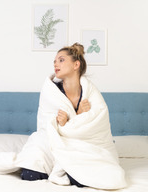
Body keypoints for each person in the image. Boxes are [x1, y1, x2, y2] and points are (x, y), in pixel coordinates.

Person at [21, 43, 92, 187]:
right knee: (30, 174)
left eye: (61, 60)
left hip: (77, 143)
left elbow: (94, 126)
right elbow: (47, 123)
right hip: (49, 140)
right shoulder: (51, 91)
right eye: (54, 61)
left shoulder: (89, 92)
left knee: (82, 177)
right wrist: (63, 123)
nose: (55, 64)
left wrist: (75, 118)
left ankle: (64, 169)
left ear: (76, 64)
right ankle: (54, 167)